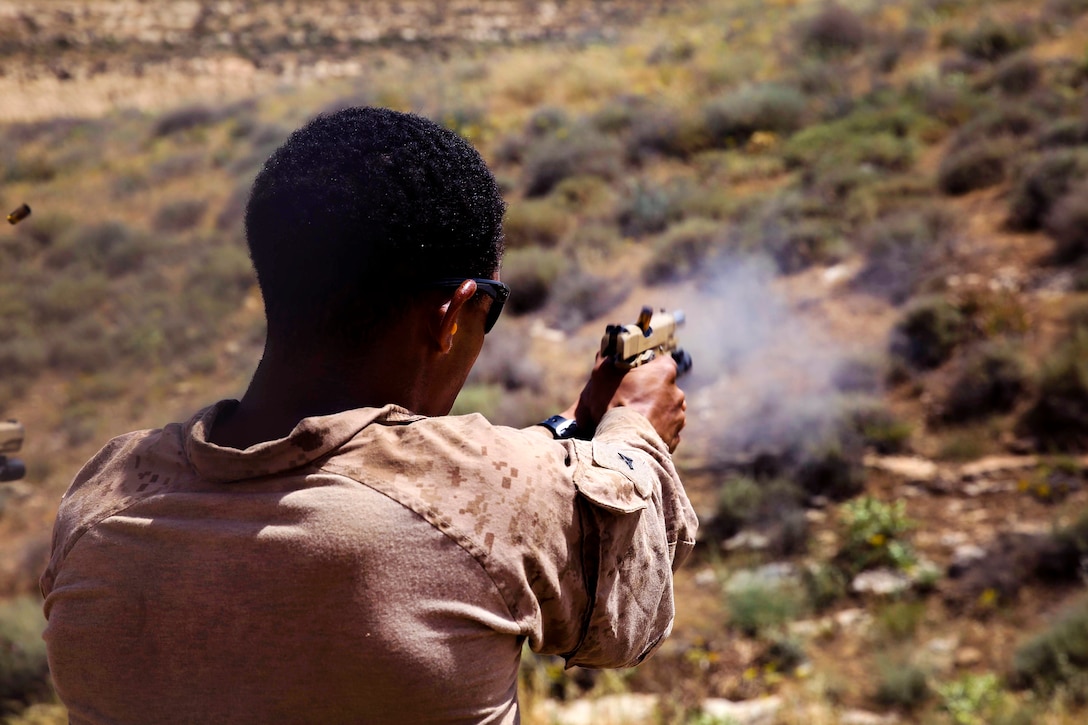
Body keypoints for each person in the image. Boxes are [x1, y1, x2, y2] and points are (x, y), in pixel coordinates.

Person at [40, 107, 697, 724]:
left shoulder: (103, 493)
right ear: (449, 316)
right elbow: (626, 611)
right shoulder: (491, 496)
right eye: (486, 312)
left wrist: (571, 431)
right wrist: (636, 423)